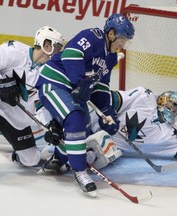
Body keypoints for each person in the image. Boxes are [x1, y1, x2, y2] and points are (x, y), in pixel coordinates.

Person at [34, 14, 135, 197]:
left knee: (83, 133)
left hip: (73, 90)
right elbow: (72, 54)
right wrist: (80, 81)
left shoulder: (111, 57)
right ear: (111, 34)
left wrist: (107, 111)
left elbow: (102, 85)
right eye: (122, 40)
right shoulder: (93, 36)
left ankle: (57, 160)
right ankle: (80, 172)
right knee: (75, 120)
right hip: (55, 82)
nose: (123, 46)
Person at [0, 26, 65, 185]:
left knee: (31, 160)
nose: (52, 52)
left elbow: (41, 103)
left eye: (58, 49)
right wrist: (1, 84)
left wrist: (50, 124)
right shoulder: (13, 50)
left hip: (14, 118)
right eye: (50, 45)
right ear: (40, 42)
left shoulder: (48, 73)